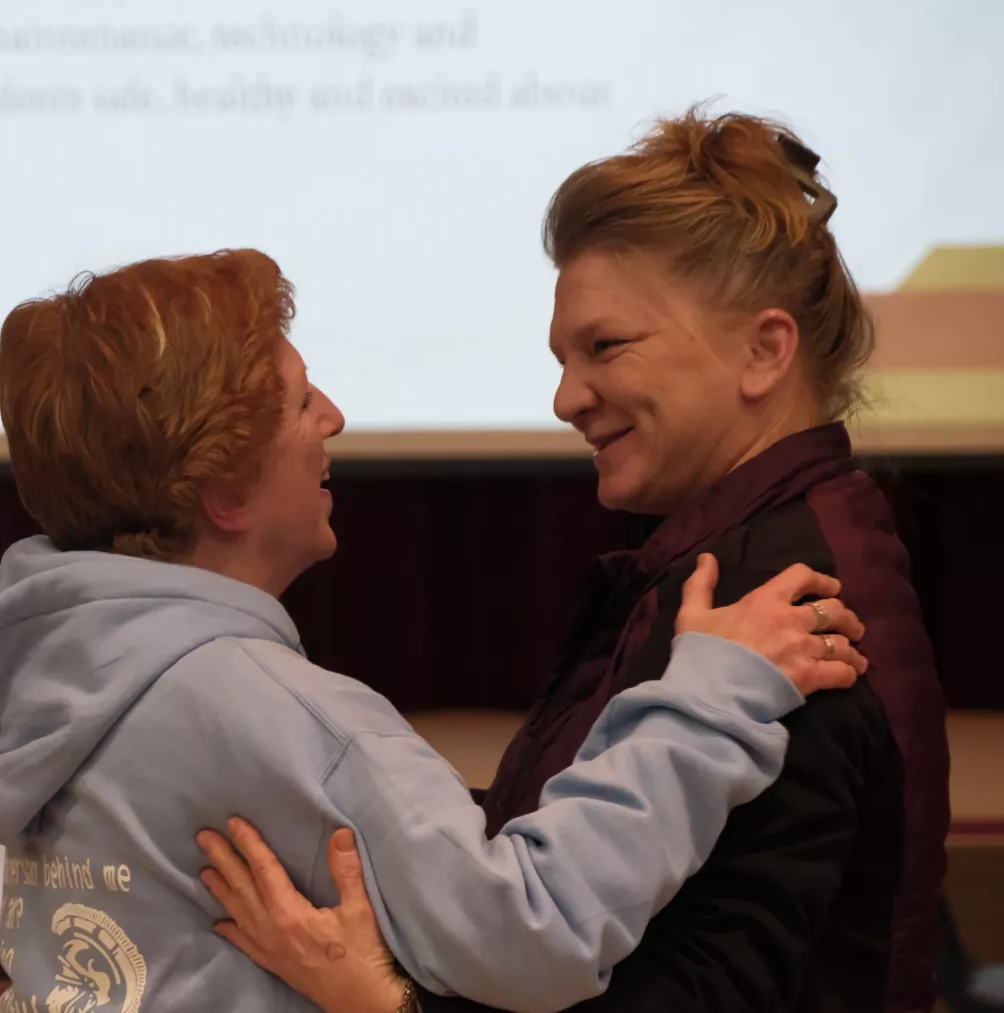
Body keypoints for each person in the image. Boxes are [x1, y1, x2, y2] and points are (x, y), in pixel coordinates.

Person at [0, 248, 868, 1013]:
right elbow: (531, 933)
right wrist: (712, 693)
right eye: (302, 401)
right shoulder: (287, 720)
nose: (335, 417)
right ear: (225, 494)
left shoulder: (58, 683)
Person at [199, 111, 950, 1013]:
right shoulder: (740, 561)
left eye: (606, 347)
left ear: (765, 350)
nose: (565, 397)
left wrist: (384, 1001)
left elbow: (711, 992)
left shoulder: (780, 601)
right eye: (563, 357)